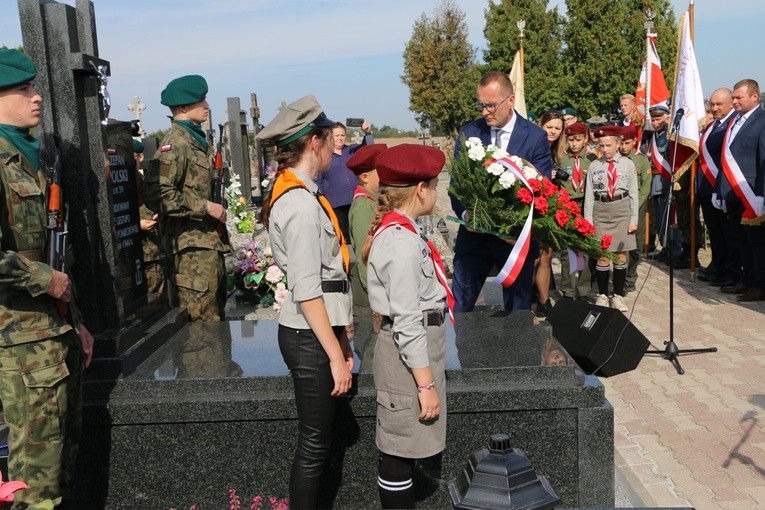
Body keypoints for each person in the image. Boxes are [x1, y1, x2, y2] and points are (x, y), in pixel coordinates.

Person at [0, 47, 94, 508]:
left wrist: (74, 320)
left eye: (34, 87)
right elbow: (40, 268)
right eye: (23, 90)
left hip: (54, 333)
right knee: (34, 483)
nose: (37, 98)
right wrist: (44, 281)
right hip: (21, 342)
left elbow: (55, 254)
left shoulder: (35, 156)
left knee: (60, 467)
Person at [256, 95, 354, 508]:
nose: (336, 143)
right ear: (313, 142)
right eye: (329, 136)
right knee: (314, 445)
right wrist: (334, 354)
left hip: (320, 331)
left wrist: (342, 337)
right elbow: (308, 288)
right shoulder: (297, 204)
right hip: (309, 336)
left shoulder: (304, 194)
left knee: (323, 441)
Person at [361, 144, 450, 509]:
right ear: (420, 190)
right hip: (407, 358)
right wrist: (425, 384)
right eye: (434, 184)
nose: (436, 191)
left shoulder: (405, 231)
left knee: (409, 443)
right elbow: (408, 321)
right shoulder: (399, 242)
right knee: (398, 448)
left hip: (417, 353)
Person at [451, 71, 552, 312]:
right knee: (460, 307)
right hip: (474, 240)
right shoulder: (469, 133)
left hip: (514, 242)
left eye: (491, 105)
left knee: (517, 314)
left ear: (510, 100)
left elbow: (543, 189)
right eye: (481, 104)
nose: (485, 112)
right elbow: (456, 185)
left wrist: (518, 228)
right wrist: (466, 215)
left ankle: (516, 350)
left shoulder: (535, 137)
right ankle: (462, 350)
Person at [152, 74, 230, 321]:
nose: (207, 106)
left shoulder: (195, 140)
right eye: (202, 100)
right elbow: (158, 195)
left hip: (207, 246)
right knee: (201, 336)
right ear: (184, 107)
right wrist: (205, 207)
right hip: (190, 253)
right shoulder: (175, 144)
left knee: (215, 323)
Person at [718, 79, 765, 301]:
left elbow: (762, 158)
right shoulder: (734, 121)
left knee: (756, 242)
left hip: (752, 193)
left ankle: (759, 284)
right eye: (733, 97)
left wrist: (761, 194)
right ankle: (746, 280)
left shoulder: (762, 121)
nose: (734, 101)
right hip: (733, 192)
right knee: (740, 240)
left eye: (739, 97)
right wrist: (721, 190)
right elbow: (725, 157)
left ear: (754, 97)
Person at [583, 125, 639, 312]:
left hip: (622, 211)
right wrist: (588, 220)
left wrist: (634, 218)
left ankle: (618, 295)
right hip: (601, 211)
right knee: (602, 255)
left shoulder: (628, 164)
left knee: (621, 255)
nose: (605, 149)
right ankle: (602, 294)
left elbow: (633, 194)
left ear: (618, 144)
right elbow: (589, 195)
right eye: (601, 146)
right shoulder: (594, 166)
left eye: (608, 145)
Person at [346, 143, 387, 372]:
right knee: (371, 352)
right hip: (369, 298)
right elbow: (365, 258)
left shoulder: (373, 201)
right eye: (382, 171)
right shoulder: (363, 206)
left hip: (376, 293)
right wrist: (377, 300)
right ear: (365, 177)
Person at [697, 88, 739, 287]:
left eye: (718, 104)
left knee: (727, 233)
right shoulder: (714, 125)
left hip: (722, 187)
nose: (714, 108)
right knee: (714, 231)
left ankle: (729, 270)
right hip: (707, 187)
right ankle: (718, 265)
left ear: (731, 103)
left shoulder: (732, 124)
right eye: (712, 104)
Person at [315, 120, 374, 242]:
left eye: (342, 135)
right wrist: (322, 201)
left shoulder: (351, 151)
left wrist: (368, 133)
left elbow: (368, 148)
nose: (340, 138)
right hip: (336, 205)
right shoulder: (325, 156)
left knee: (359, 235)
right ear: (330, 137)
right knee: (341, 238)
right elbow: (318, 180)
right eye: (337, 135)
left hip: (355, 202)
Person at [558, 122, 595, 300]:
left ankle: (584, 289)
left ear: (585, 140)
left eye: (578, 140)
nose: (574, 144)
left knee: (585, 249)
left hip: (586, 206)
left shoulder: (592, 159)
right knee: (568, 252)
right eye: (570, 140)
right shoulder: (561, 159)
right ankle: (568, 290)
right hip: (567, 206)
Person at [534, 110, 565, 316]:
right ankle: (525, 298)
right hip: (533, 208)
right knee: (533, 259)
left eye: (557, 129)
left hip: (550, 209)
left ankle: (544, 302)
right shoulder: (535, 146)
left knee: (546, 256)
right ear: (541, 126)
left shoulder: (556, 151)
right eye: (549, 127)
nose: (553, 132)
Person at [647, 103, 682, 263]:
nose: (655, 122)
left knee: (669, 219)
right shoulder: (651, 136)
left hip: (666, 182)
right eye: (653, 119)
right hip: (654, 183)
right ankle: (666, 247)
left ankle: (675, 249)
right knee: (660, 218)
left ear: (667, 117)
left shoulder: (670, 135)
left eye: (658, 119)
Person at [621, 125, 652, 291]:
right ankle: (620, 276)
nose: (623, 147)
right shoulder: (616, 159)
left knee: (636, 245)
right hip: (619, 206)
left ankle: (630, 277)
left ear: (634, 141)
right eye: (621, 143)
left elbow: (646, 186)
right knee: (621, 244)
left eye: (627, 143)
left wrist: (635, 206)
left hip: (636, 207)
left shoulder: (641, 160)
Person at [134, 138, 164, 295]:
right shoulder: (116, 184)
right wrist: (137, 224)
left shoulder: (142, 181)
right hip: (133, 256)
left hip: (152, 253)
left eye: (135, 157)